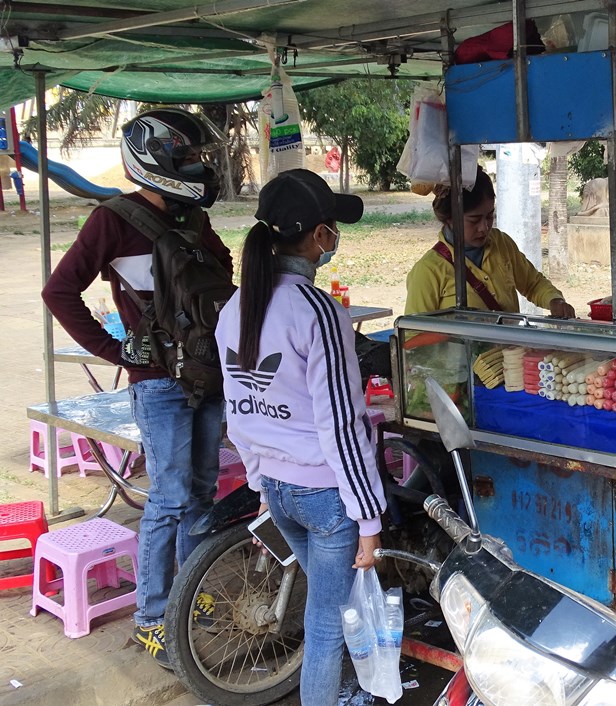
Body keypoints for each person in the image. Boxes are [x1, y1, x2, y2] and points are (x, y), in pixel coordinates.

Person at [41, 108, 233, 668]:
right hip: (158, 385)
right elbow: (60, 292)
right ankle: (153, 618)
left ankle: (185, 598)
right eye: (191, 158)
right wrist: (114, 350)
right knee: (170, 499)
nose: (201, 167)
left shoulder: (193, 219)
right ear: (158, 162)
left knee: (200, 495)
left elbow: (219, 282)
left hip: (205, 375)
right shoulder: (112, 220)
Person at [215, 169, 386, 706]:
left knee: (330, 608)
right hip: (325, 499)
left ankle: (349, 691)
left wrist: (263, 483)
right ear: (317, 237)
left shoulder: (234, 308)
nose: (333, 237)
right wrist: (369, 517)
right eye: (331, 226)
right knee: (327, 626)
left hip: (280, 492)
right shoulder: (318, 312)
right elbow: (341, 423)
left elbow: (240, 411)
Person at [405, 165, 576, 317]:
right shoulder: (428, 271)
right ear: (450, 218)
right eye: (474, 220)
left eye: (489, 216)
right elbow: (414, 338)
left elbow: (532, 283)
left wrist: (555, 301)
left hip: (510, 353)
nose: (484, 227)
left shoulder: (501, 243)